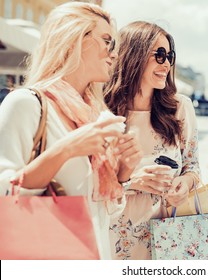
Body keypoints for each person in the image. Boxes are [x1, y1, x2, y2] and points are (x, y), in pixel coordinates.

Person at [0, 2, 142, 259]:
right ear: (74, 38)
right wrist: (66, 149)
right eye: (107, 41)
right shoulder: (26, 104)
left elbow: (102, 212)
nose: (114, 54)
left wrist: (122, 174)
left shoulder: (97, 116)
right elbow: (3, 191)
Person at [105, 21, 200, 260]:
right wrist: (131, 182)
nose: (166, 63)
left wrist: (185, 185)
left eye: (169, 55)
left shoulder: (180, 108)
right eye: (159, 55)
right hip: (111, 238)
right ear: (133, 56)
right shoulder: (101, 111)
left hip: (168, 238)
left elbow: (193, 167)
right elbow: (87, 183)